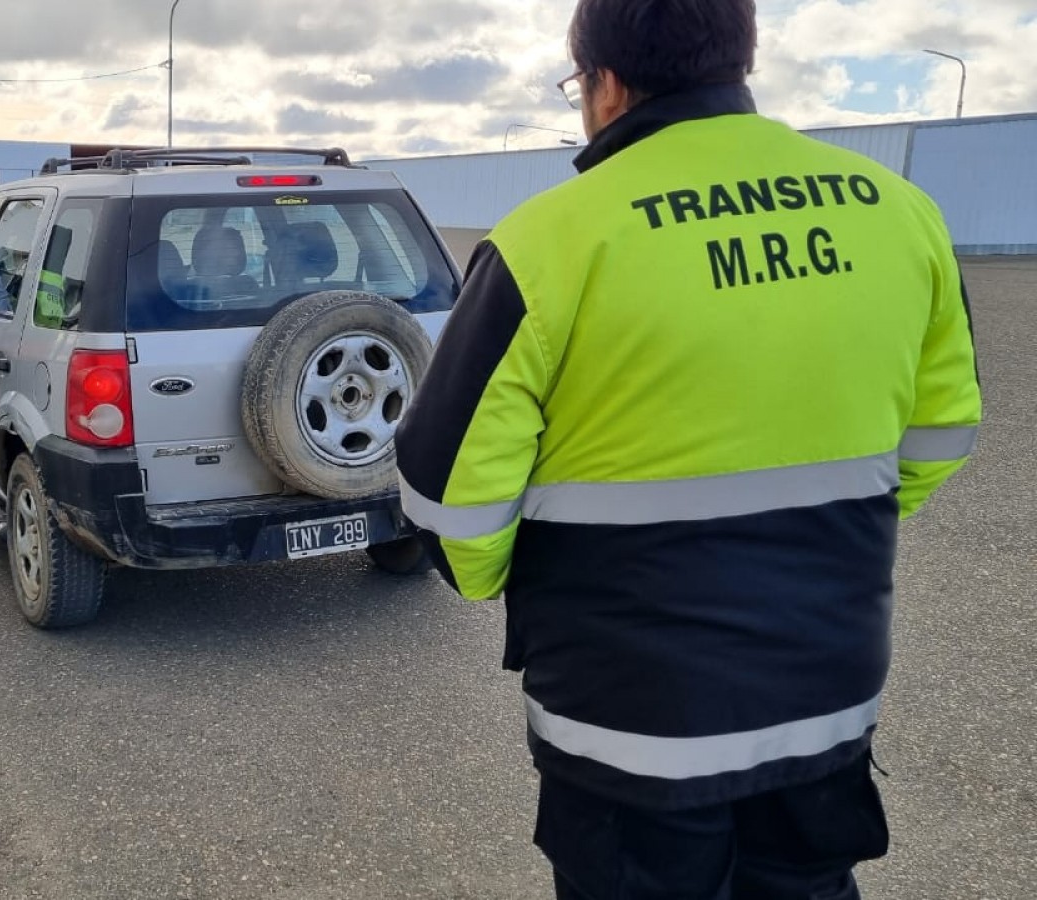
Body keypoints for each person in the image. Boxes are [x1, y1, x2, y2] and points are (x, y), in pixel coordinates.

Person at [393, 1, 982, 897]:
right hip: (823, 696)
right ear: (737, 61)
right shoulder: (900, 214)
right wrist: (817, 536)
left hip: (629, 721)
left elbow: (448, 500)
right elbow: (943, 431)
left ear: (607, 85)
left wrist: (505, 578)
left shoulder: (550, 240)